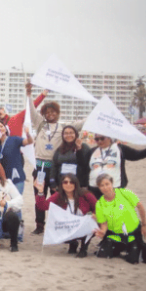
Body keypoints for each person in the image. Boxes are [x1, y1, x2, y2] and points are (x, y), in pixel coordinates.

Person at [28, 83, 84, 235]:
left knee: (57, 197)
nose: (51, 114)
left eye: (54, 112)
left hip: (55, 169)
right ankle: (39, 225)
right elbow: (31, 110)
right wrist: (29, 94)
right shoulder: (39, 124)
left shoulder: (64, 127)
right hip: (39, 167)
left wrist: (98, 112)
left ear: (58, 113)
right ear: (44, 114)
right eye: (48, 112)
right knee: (38, 196)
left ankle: (56, 224)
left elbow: (82, 123)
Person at [35, 173, 97, 257]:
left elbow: (98, 208)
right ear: (61, 184)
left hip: (83, 224)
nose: (68, 184)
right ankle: (72, 243)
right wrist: (40, 191)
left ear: (76, 184)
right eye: (65, 182)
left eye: (71, 182)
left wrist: (93, 214)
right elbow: (43, 206)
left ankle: (83, 248)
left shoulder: (85, 195)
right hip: (69, 225)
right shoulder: (59, 195)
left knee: (90, 223)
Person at [93, 173, 146, 264]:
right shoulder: (99, 204)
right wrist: (102, 232)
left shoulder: (125, 193)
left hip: (132, 233)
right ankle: (120, 247)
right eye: (102, 185)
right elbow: (103, 223)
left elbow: (140, 207)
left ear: (112, 184)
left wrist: (144, 225)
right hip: (115, 234)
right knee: (102, 254)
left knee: (134, 260)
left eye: (107, 184)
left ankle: (134, 247)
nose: (105, 188)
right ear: (99, 188)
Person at [87, 134, 146, 200]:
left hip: (115, 188)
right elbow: (84, 167)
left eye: (102, 138)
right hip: (94, 188)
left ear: (109, 138)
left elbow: (137, 155)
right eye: (97, 139)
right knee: (97, 211)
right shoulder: (92, 151)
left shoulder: (120, 148)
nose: (99, 141)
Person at [0, 121, 33, 194]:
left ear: (5, 129)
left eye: (1, 126)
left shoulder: (14, 139)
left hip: (17, 177)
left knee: (16, 203)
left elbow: (29, 141)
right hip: (2, 180)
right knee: (4, 203)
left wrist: (27, 134)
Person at [52, 125, 91, 189]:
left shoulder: (84, 147)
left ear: (76, 134)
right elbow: (54, 165)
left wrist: (79, 149)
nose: (68, 135)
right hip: (63, 182)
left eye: (71, 133)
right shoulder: (60, 149)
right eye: (66, 133)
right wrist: (52, 181)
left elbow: (85, 165)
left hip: (79, 183)